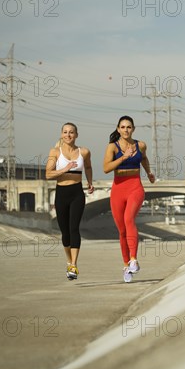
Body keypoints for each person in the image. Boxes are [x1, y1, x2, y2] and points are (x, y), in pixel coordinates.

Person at [103, 115, 155, 283]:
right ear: (118, 129)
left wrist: (148, 173)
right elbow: (106, 168)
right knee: (122, 231)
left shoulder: (140, 145)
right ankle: (126, 266)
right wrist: (123, 157)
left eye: (129, 127)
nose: (126, 130)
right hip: (118, 189)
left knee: (128, 219)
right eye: (123, 127)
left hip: (135, 186)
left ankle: (134, 259)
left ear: (133, 129)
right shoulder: (112, 147)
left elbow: (144, 159)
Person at [45, 122, 94, 280]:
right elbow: (48, 174)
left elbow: (88, 167)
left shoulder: (84, 152)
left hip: (77, 193)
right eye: (65, 132)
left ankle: (74, 264)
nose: (68, 135)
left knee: (74, 229)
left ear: (76, 135)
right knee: (65, 232)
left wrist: (90, 182)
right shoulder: (55, 152)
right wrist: (65, 169)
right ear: (61, 135)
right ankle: (68, 261)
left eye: (71, 132)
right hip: (61, 193)